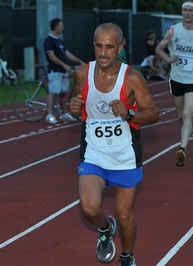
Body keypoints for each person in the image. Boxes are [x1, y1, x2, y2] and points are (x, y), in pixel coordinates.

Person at [70, 23, 160, 266]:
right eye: (99, 46)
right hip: (94, 153)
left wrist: (130, 114)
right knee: (89, 209)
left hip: (124, 156)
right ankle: (104, 227)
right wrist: (71, 107)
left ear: (120, 47)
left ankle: (127, 256)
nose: (102, 53)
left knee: (124, 214)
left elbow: (153, 113)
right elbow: (75, 103)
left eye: (109, 47)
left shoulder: (132, 78)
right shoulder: (81, 74)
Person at [155, 0, 193, 166]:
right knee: (180, 114)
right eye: (185, 10)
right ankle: (188, 124)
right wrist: (168, 58)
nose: (188, 13)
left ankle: (182, 149)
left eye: (191, 10)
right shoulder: (173, 31)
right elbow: (158, 49)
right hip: (176, 78)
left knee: (187, 114)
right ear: (182, 12)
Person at [43, 18, 85, 124]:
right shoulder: (49, 40)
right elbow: (51, 56)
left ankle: (64, 113)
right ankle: (49, 114)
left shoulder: (59, 41)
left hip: (63, 71)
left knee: (64, 93)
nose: (63, 28)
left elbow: (68, 54)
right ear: (56, 27)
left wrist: (80, 62)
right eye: (61, 26)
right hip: (55, 70)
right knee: (53, 92)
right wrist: (64, 65)